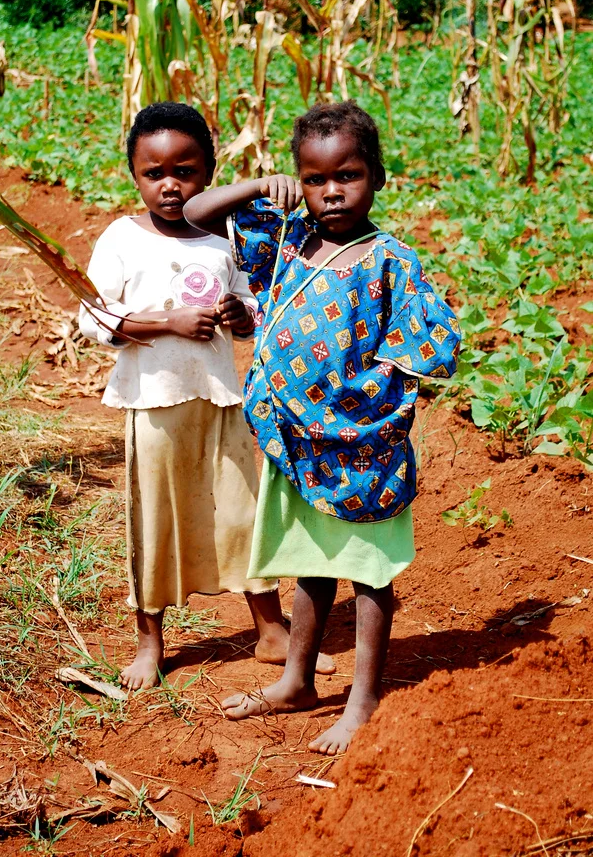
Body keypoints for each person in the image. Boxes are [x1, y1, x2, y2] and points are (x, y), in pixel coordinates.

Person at [184, 101, 461, 754]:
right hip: (294, 443)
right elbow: (195, 213)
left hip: (362, 449)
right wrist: (257, 186)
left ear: (377, 176)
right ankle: (296, 681)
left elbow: (431, 344)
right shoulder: (286, 240)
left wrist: (367, 403)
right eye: (313, 179)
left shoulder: (388, 259)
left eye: (348, 175)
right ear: (296, 181)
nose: (331, 191)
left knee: (366, 573)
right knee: (309, 568)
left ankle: (362, 699)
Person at [79, 102, 335, 691]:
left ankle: (271, 632)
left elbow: (247, 309)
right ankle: (150, 640)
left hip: (221, 397)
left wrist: (235, 313)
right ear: (134, 175)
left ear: (208, 171)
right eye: (154, 173)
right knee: (155, 519)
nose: (170, 185)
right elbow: (95, 316)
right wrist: (166, 324)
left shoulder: (220, 238)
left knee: (243, 514)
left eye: (186, 171)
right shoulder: (122, 237)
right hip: (154, 402)